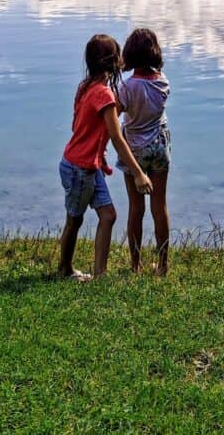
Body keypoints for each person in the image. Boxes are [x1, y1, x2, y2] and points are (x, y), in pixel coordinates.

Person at [58, 33, 152, 280]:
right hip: (79, 167)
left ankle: (99, 275)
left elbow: (79, 126)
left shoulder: (85, 87)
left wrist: (99, 154)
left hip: (88, 165)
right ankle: (64, 269)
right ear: (112, 61)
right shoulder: (104, 96)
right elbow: (118, 138)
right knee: (74, 220)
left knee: (108, 216)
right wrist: (139, 174)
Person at [117, 28, 172, 276]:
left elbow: (114, 114)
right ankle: (162, 266)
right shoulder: (163, 82)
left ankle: (135, 265)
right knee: (159, 208)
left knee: (135, 208)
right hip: (160, 148)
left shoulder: (127, 87)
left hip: (134, 151)